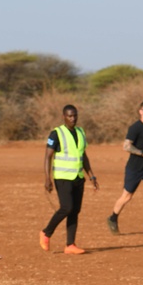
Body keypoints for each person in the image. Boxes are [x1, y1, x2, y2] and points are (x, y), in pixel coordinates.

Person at [39, 104, 98, 255]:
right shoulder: (56, 133)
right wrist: (47, 179)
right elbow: (48, 157)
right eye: (70, 116)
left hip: (78, 177)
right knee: (67, 207)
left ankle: (70, 244)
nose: (73, 118)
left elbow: (83, 155)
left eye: (75, 115)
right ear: (64, 117)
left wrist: (91, 175)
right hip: (62, 177)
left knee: (75, 211)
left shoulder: (80, 132)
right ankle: (46, 232)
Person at [107, 100, 143, 235]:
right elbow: (126, 146)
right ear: (140, 112)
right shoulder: (135, 128)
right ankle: (112, 218)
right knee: (126, 197)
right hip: (134, 168)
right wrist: (142, 153)